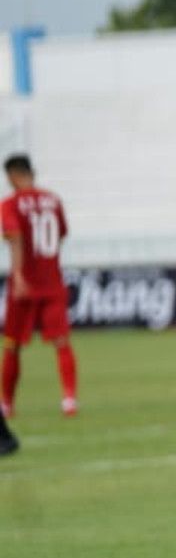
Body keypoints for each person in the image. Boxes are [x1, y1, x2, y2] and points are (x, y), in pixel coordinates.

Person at [2, 154, 78, 419]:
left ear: (12, 174)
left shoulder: (10, 204)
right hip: (53, 281)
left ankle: (7, 404)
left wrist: (19, 275)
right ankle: (69, 399)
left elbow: (15, 238)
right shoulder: (53, 200)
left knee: (12, 344)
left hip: (24, 284)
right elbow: (62, 234)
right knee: (61, 342)